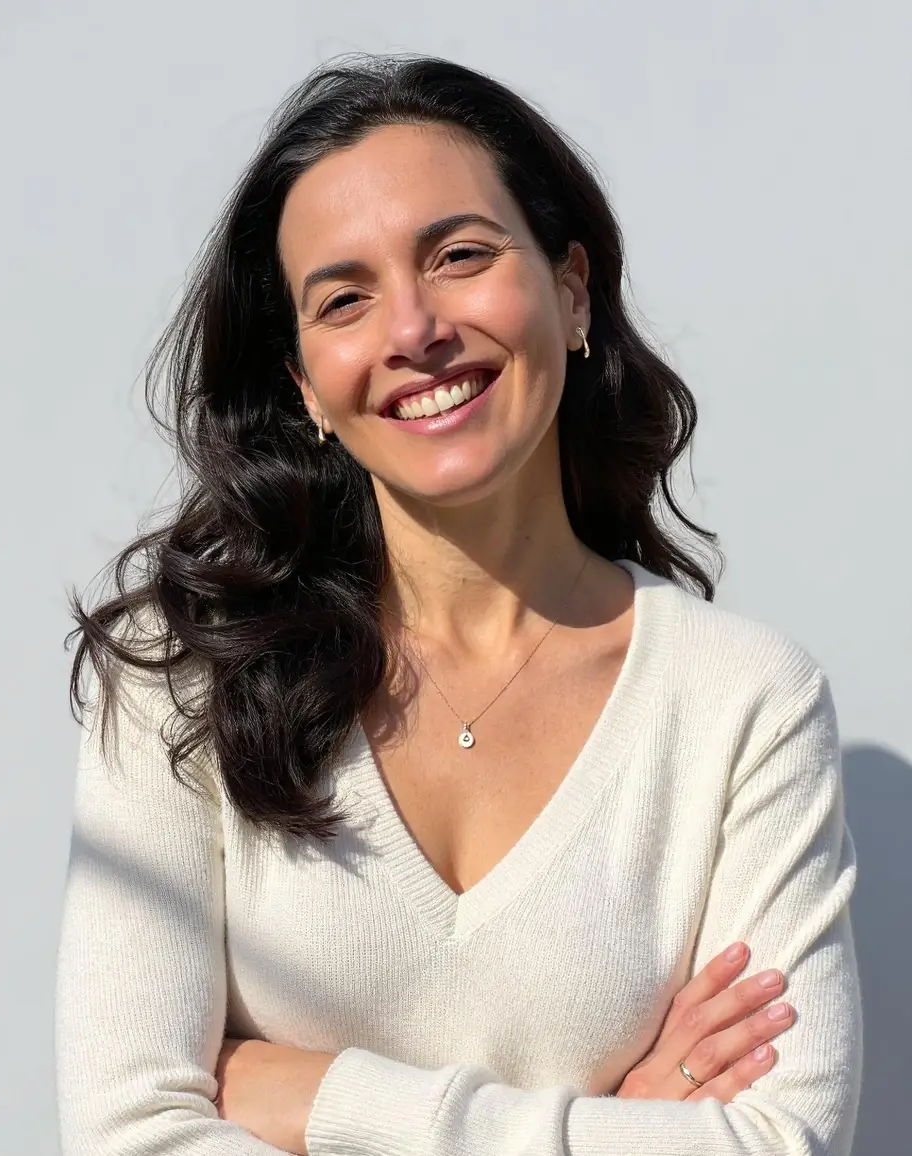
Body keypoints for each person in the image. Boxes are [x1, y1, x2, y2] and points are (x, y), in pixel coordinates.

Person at [54, 53, 862, 1156]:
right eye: (344, 299)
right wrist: (610, 1130)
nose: (413, 330)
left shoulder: (743, 701)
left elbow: (783, 1142)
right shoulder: (179, 672)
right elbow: (127, 1134)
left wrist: (324, 1097)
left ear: (569, 289)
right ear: (305, 386)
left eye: (460, 257)